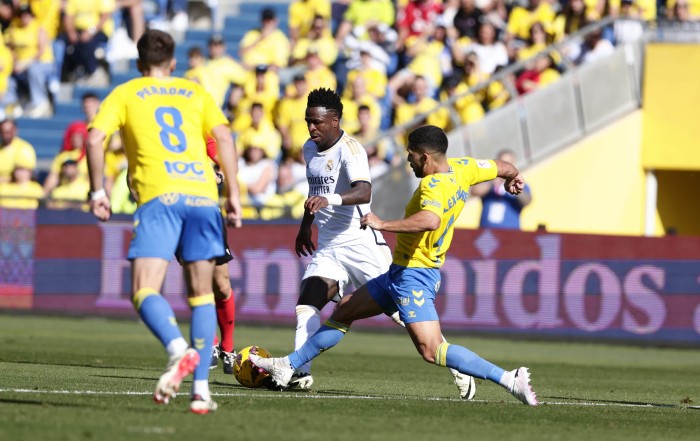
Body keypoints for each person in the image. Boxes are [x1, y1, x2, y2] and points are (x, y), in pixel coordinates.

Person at [250, 125, 538, 406]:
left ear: (425, 157)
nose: (409, 162)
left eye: (411, 156)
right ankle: (288, 365)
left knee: (432, 349)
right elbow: (501, 166)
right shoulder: (463, 168)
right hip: (398, 273)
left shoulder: (431, 186)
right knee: (345, 309)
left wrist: (382, 223)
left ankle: (510, 379)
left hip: (414, 275)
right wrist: (513, 177)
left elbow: (430, 220)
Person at [281, 89, 476, 399]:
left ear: (335, 121)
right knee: (307, 303)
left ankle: (457, 365)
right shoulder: (308, 149)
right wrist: (306, 228)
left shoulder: (351, 150)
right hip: (329, 246)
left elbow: (364, 192)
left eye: (317, 122)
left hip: (362, 243)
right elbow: (313, 191)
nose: (311, 128)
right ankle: (298, 373)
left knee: (402, 314)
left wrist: (328, 199)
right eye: (308, 122)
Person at [85, 29, 242, 414]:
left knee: (143, 289)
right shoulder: (195, 91)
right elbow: (223, 135)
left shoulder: (126, 92)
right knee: (202, 294)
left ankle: (178, 350)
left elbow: (93, 140)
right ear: (173, 63)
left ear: (140, 64)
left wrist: (97, 192)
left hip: (160, 195)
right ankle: (201, 391)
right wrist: (234, 196)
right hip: (204, 198)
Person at [469, 150, 532, 229]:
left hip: (511, 234)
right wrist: (493, 181)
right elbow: (474, 191)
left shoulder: (519, 184)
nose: (506, 167)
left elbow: (527, 201)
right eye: (504, 163)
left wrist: (515, 187)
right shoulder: (489, 182)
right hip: (487, 233)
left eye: (509, 164)